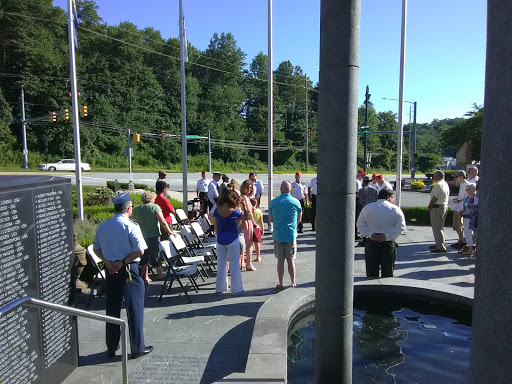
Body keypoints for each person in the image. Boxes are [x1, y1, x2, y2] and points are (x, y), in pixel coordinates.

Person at [93, 193, 153, 359]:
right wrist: (123, 262)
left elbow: (96, 248)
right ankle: (137, 347)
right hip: (128, 269)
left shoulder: (104, 226)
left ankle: (111, 347)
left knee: (112, 308)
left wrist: (107, 261)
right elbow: (140, 251)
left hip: (110, 269)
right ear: (128, 208)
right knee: (134, 308)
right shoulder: (131, 226)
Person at [357, 188, 406, 278]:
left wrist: (369, 234)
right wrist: (387, 236)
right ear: (389, 197)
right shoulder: (395, 209)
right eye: (392, 197)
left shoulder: (368, 207)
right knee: (387, 271)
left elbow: (360, 224)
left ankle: (371, 289)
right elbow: (401, 227)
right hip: (388, 242)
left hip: (371, 241)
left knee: (371, 271)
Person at [211, 189, 247, 295]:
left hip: (220, 239)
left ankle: (220, 289)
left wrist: (218, 235)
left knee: (221, 264)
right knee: (234, 264)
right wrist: (244, 205)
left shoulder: (217, 210)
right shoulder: (234, 212)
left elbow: (216, 225)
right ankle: (237, 289)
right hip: (232, 238)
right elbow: (247, 217)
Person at [132, 191, 174, 284]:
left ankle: (145, 277)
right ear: (152, 198)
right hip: (153, 235)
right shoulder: (155, 207)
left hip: (141, 236)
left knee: (144, 257)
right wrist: (170, 232)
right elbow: (162, 221)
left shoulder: (137, 209)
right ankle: (159, 274)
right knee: (156, 255)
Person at [268, 181, 303, 291]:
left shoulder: (273, 202)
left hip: (278, 235)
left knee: (280, 261)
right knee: (291, 260)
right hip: (291, 235)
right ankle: (293, 282)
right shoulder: (296, 202)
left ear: (280, 189)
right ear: (290, 190)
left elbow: (270, 219)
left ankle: (281, 283)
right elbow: (299, 219)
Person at [428, 171, 450, 253]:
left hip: (437, 208)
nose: (433, 177)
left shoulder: (438, 185)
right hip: (442, 207)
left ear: (438, 176)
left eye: (434, 176)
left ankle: (440, 247)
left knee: (437, 228)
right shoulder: (444, 183)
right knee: (439, 227)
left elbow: (435, 198)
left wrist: (429, 206)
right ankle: (439, 243)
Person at [356, 176, 378, 247]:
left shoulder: (362, 190)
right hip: (374, 209)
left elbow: (360, 201)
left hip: (364, 209)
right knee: (371, 224)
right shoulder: (374, 189)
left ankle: (365, 239)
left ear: (363, 182)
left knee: (364, 224)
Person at [240, 179, 257, 271]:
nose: (249, 190)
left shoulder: (242, 197)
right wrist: (254, 223)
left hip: (243, 221)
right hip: (247, 222)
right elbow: (249, 213)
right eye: (247, 187)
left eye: (251, 188)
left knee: (244, 243)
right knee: (249, 243)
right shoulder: (244, 198)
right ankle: (248, 263)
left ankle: (242, 262)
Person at [449, 170, 468, 250]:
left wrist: (459, 201)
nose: (455, 178)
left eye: (457, 177)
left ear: (461, 176)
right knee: (457, 225)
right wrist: (457, 199)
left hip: (462, 208)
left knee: (458, 225)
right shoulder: (462, 185)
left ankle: (462, 241)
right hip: (458, 207)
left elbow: (468, 197)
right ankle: (461, 240)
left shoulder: (467, 185)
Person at [460, 183, 477, 258]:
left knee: (468, 233)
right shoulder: (467, 198)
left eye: (468, 189)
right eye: (466, 189)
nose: (466, 191)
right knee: (467, 233)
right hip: (465, 217)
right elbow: (464, 206)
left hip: (470, 217)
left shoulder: (474, 198)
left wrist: (462, 213)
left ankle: (471, 250)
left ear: (472, 189)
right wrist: (461, 211)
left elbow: (472, 209)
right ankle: (470, 248)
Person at [251, 198, 265, 262]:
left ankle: (249, 256)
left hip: (250, 228)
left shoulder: (250, 211)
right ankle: (258, 256)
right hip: (257, 228)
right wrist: (263, 229)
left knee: (249, 243)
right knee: (257, 243)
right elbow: (261, 221)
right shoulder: (259, 211)